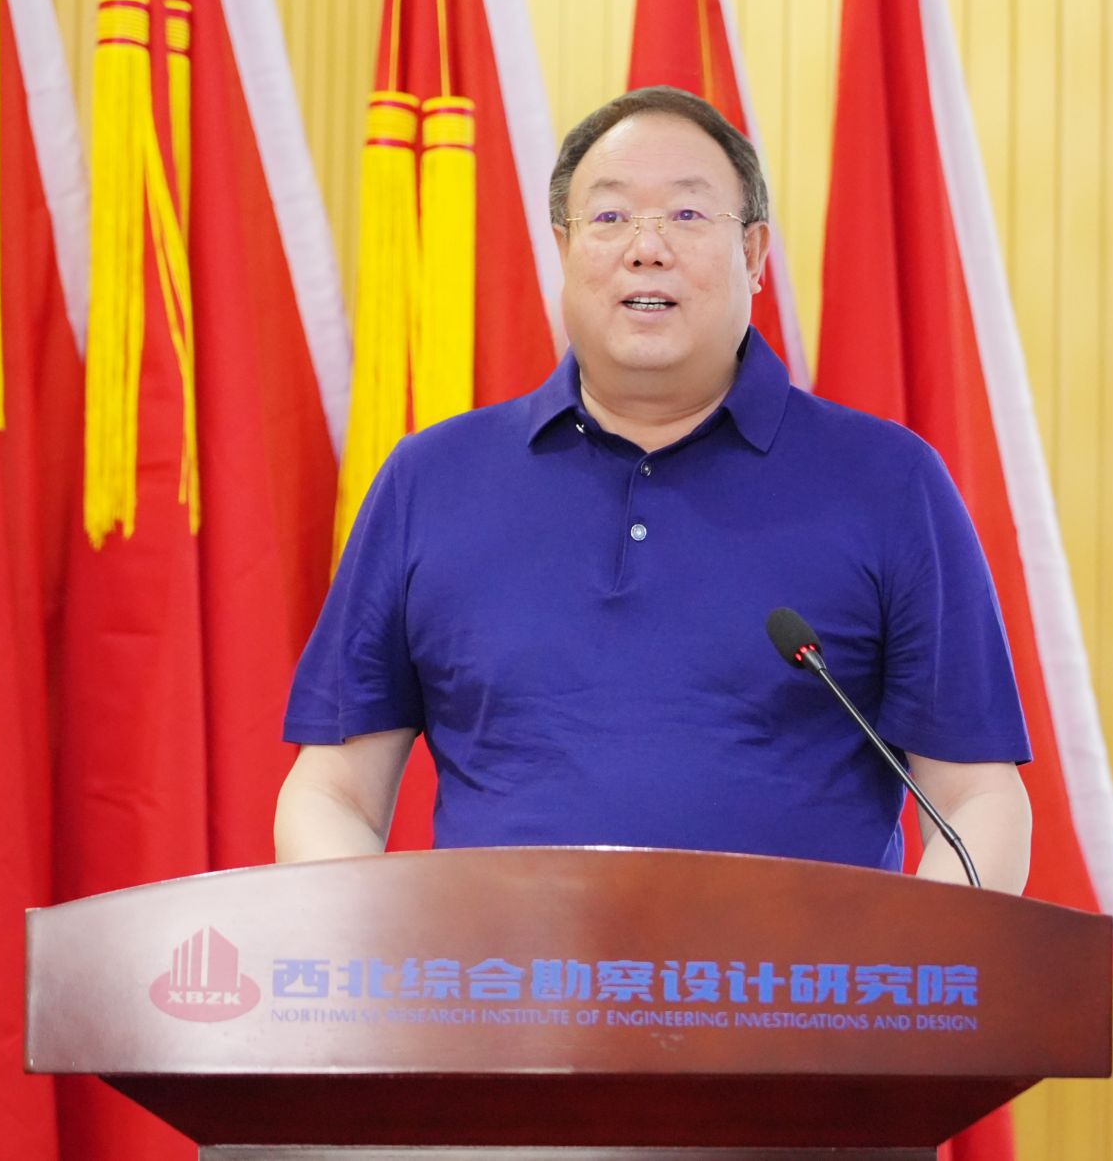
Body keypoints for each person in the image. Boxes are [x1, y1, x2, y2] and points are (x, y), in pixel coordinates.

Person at [275, 86, 1032, 890]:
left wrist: (904, 970)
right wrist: (375, 946)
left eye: (687, 214)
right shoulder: (431, 481)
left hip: (797, 975)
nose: (646, 247)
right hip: (498, 971)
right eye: (609, 216)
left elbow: (977, 797)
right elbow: (333, 792)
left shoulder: (888, 482)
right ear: (564, 248)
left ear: (754, 253)